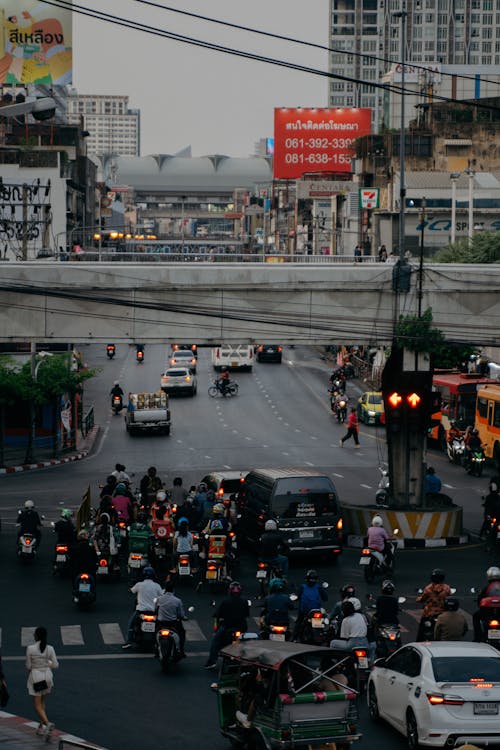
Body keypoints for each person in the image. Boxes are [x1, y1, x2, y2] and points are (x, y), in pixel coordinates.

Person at [205, 581, 250, 668]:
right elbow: (246, 615)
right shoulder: (244, 601)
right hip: (241, 627)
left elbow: (218, 614)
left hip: (227, 627)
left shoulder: (225, 601)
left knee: (215, 642)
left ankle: (212, 661)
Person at [26, 626, 58, 738]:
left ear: (36, 636)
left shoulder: (30, 648)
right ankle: (41, 728)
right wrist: (46, 663)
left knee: (37, 705)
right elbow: (55, 665)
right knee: (42, 703)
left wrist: (37, 665)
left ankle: (47, 724)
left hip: (37, 678)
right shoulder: (50, 648)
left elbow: (28, 666)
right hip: (48, 677)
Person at [123, 567, 164, 649]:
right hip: (153, 611)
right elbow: (162, 596)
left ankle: (128, 642)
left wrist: (130, 588)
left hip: (141, 611)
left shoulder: (139, 585)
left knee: (131, 625)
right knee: (160, 626)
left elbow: (131, 591)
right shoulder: (157, 586)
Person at [416, 569, 451, 640]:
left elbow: (422, 599)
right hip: (442, 613)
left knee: (421, 631)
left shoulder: (428, 588)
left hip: (429, 614)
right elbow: (449, 596)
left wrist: (418, 599)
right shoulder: (446, 588)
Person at [155, 579, 187, 658]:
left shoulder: (159, 599)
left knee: (155, 633)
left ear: (165, 589)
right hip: (173, 623)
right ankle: (181, 650)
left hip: (161, 623)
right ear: (173, 590)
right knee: (182, 633)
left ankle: (156, 650)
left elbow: (155, 609)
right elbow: (181, 614)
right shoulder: (177, 600)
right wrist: (183, 617)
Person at [293, 570, 328, 640]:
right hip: (315, 611)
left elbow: (296, 597)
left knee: (299, 623)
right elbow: (325, 598)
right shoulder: (318, 587)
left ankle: (294, 638)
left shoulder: (302, 587)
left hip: (306, 611)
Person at [473, 566, 500, 641]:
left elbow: (480, 600)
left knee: (475, 617)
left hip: (487, 613)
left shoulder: (487, 587)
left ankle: (477, 637)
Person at [70, 529, 99, 596]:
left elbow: (71, 559)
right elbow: (95, 558)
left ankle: (75, 589)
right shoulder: (91, 548)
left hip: (78, 569)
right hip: (89, 569)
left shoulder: (75, 548)